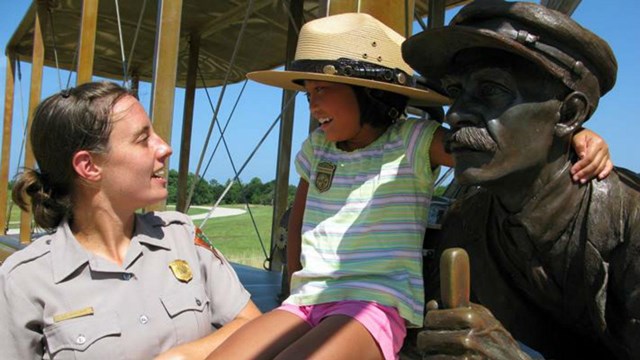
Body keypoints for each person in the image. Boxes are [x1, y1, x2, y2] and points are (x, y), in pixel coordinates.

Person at [207, 13, 611, 360]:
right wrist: (292, 284)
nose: (312, 105)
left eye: (323, 90)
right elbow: (298, 220)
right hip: (307, 299)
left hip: (375, 303)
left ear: (369, 92)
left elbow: (496, 150)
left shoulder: (416, 141)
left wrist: (573, 136)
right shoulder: (316, 149)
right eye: (309, 93)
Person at [401, 1, 640, 359]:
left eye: (491, 91)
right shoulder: (464, 224)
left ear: (569, 114)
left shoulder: (632, 224)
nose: (455, 113)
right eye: (455, 92)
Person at [0, 81, 261, 359]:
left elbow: (253, 325)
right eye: (142, 139)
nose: (164, 148)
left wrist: (182, 356)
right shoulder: (23, 280)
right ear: (89, 166)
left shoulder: (181, 237)